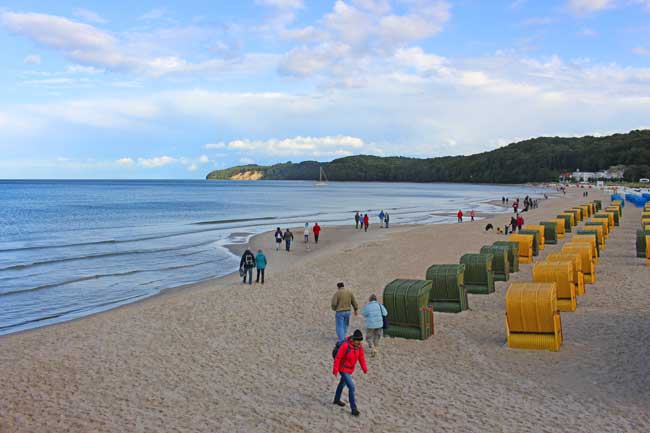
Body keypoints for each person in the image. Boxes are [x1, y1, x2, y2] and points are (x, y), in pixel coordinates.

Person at [332, 329, 367, 417]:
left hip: (350, 369)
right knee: (351, 387)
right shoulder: (345, 345)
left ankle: (336, 399)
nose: (359, 343)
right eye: (358, 341)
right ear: (353, 339)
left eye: (360, 341)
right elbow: (338, 358)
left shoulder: (359, 347)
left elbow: (361, 357)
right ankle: (353, 409)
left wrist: (364, 368)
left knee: (342, 384)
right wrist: (335, 369)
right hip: (343, 369)